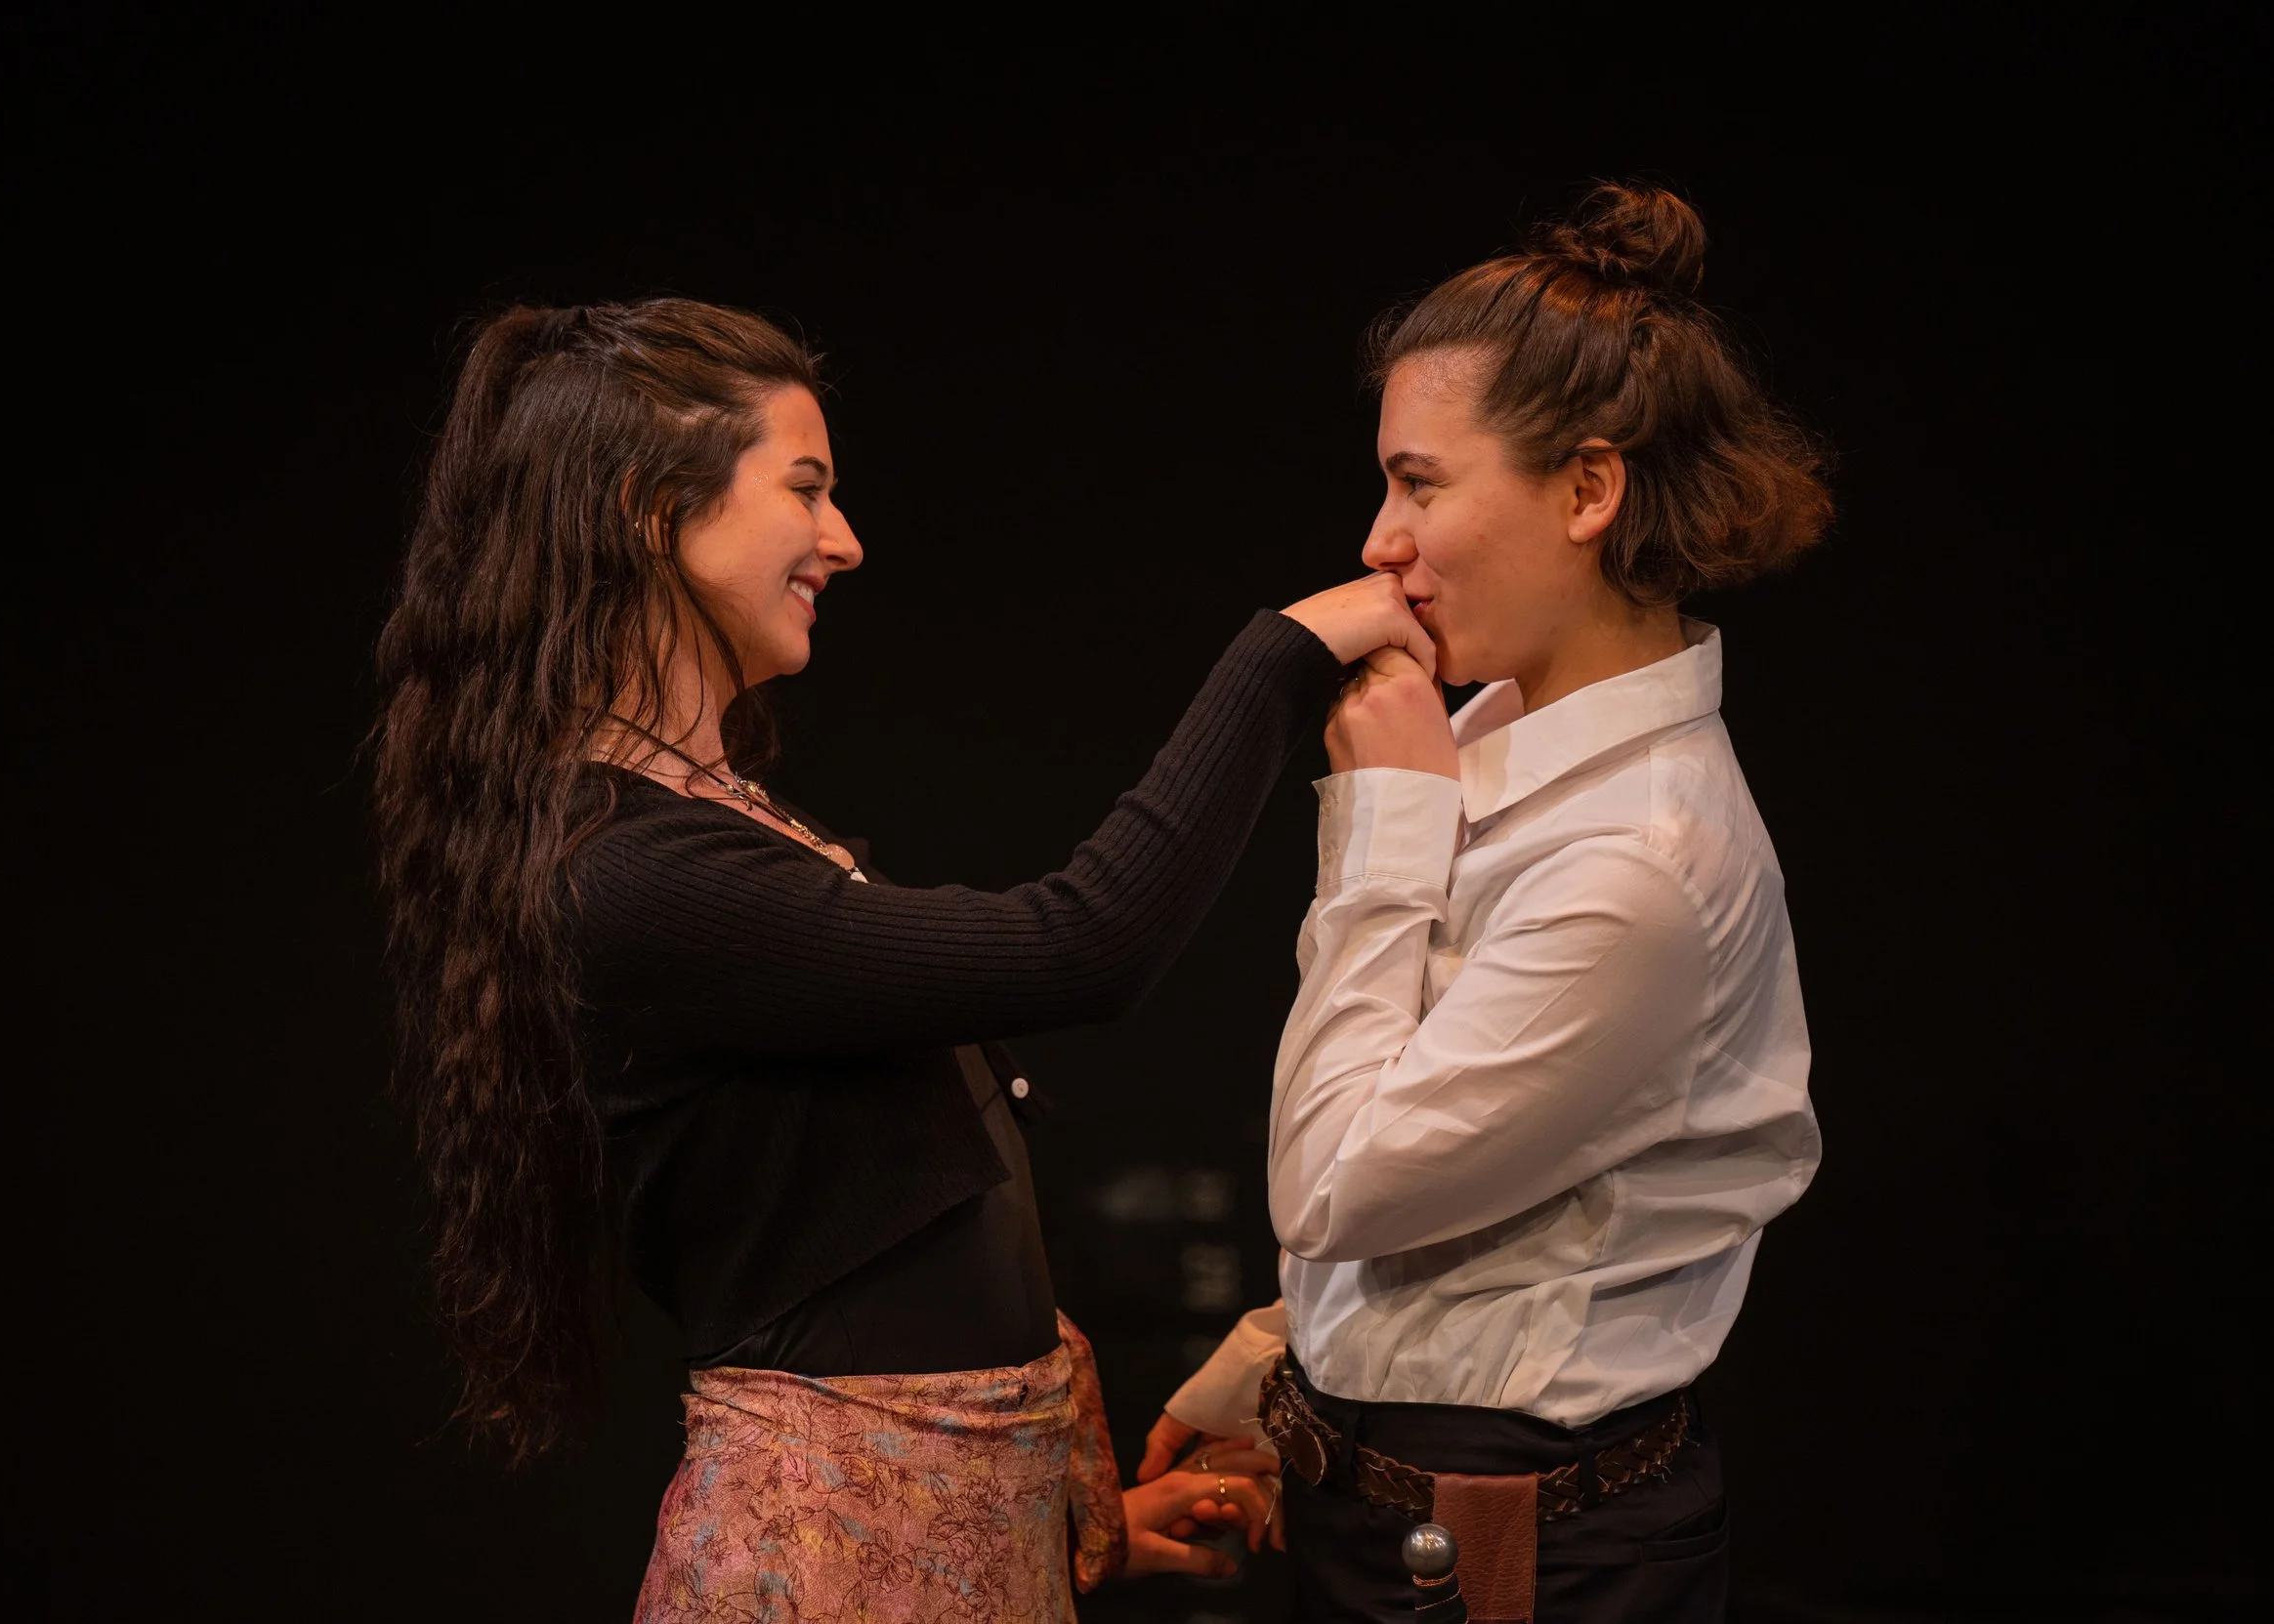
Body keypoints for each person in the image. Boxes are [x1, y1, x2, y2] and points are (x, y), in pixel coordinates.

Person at [371, 297, 1430, 1621]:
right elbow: (1082, 943)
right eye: (804, 489)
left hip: (918, 1544)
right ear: (651, 507)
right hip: (822, 1566)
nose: (845, 539)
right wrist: (1287, 654)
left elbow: (878, 1258)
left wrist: (1059, 1524)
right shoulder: (637, 872)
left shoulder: (711, 824)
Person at [1146, 183, 1832, 1622]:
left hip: (1510, 1553)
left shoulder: (1640, 855)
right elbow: (1492, 1215)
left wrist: (1384, 832)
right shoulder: (1515, 746)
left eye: (1420, 483)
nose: (1380, 537)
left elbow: (1336, 1185)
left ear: (1588, 491)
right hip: (1399, 1505)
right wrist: (1282, 1358)